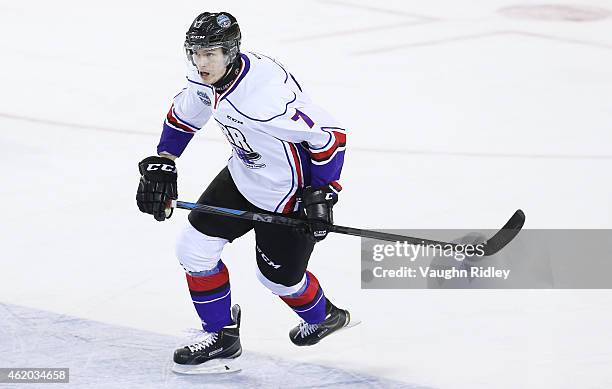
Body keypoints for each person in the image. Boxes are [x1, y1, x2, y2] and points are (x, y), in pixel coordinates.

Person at [136, 11, 355, 373]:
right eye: (196, 52)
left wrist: (322, 194)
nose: (201, 62)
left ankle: (326, 315)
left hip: (288, 194)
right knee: (194, 249)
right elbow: (185, 114)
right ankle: (222, 336)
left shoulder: (265, 97)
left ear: (231, 51)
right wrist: (165, 160)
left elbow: (330, 138)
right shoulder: (205, 77)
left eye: (210, 54)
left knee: (278, 279)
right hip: (242, 175)